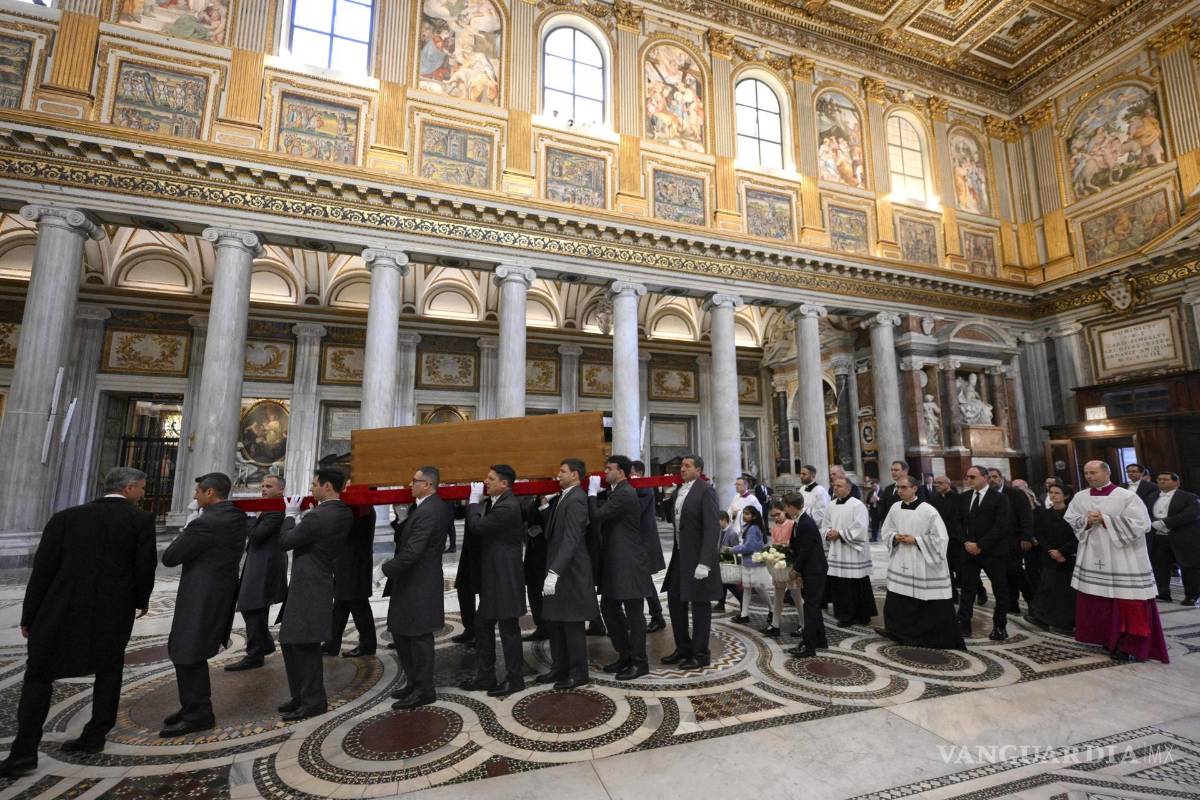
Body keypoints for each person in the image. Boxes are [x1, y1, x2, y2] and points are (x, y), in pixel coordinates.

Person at [0, 468, 156, 777]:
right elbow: (144, 567)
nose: (143, 494)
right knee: (109, 670)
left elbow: (43, 570)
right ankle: (95, 735)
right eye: (141, 488)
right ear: (128, 488)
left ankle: (23, 751)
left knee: (39, 675)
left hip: (61, 607)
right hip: (113, 609)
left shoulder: (66, 517)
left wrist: (30, 614)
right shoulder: (139, 520)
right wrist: (140, 600)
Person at [160, 472, 248, 737]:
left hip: (201, 594)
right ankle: (192, 705)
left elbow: (170, 557)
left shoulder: (205, 523)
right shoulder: (236, 516)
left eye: (198, 492)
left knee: (187, 651)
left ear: (210, 493)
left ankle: (198, 714)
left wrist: (189, 527)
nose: (194, 496)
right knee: (193, 649)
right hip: (220, 592)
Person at [1068, 460, 1168, 663]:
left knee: (1128, 600)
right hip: (1093, 555)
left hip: (1124, 557)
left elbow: (1143, 524)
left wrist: (1106, 520)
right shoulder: (1080, 497)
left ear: (1107, 473)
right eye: (1086, 473)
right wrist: (1086, 520)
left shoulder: (1127, 496)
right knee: (1098, 600)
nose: (1089, 476)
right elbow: (1071, 518)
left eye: (1093, 472)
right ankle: (1105, 637)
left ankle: (1128, 645)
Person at [277, 467, 354, 720]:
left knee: (304, 644)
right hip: (318, 579)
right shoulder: (343, 512)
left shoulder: (318, 516)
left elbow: (285, 542)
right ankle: (300, 695)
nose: (311, 488)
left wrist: (291, 517)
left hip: (308, 583)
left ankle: (313, 701)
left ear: (327, 486)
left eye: (314, 484)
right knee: (291, 640)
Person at [382, 466, 452, 710]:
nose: (410, 484)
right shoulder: (423, 507)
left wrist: (384, 569)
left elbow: (413, 551)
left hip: (420, 581)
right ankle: (413, 682)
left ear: (428, 485)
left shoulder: (431, 510)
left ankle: (424, 690)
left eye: (414, 480)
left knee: (419, 636)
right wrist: (403, 520)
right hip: (411, 579)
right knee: (403, 632)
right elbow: (409, 540)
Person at [462, 464, 527, 697]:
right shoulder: (497, 502)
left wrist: (473, 501)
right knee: (482, 625)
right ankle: (486, 676)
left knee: (509, 630)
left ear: (504, 483)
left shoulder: (507, 506)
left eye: (491, 478)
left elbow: (477, 526)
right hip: (494, 577)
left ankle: (515, 679)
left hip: (505, 578)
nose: (485, 481)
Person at [589, 455, 655, 681]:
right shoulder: (617, 492)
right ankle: (625, 654)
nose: (605, 472)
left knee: (634, 614)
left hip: (629, 562)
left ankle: (639, 661)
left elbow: (597, 516)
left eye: (609, 468)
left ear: (621, 472)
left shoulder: (625, 493)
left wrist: (592, 494)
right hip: (616, 562)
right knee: (609, 608)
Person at [880, 476, 964, 649]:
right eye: (898, 487)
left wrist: (917, 540)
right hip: (901, 559)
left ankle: (924, 636)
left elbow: (941, 538)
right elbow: (886, 530)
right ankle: (898, 631)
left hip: (922, 561)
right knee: (898, 597)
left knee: (924, 601)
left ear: (915, 488)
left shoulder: (928, 510)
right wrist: (894, 536)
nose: (899, 490)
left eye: (904, 487)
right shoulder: (895, 508)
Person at [537, 458, 600, 688]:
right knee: (556, 621)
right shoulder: (565, 496)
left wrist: (555, 572)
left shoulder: (577, 499)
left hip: (570, 571)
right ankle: (559, 668)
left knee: (572, 624)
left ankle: (578, 673)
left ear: (575, 475)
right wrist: (545, 507)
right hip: (560, 568)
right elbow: (555, 532)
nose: (558, 475)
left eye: (563, 471)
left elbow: (571, 539)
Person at [662, 454, 722, 669]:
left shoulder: (706, 491)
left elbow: (712, 528)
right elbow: (672, 520)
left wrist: (705, 562)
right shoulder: (679, 490)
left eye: (687, 466)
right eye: (681, 466)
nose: (682, 469)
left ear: (698, 470)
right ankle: (683, 648)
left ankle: (700, 653)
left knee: (699, 604)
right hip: (680, 555)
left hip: (698, 557)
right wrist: (667, 498)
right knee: (674, 599)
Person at [226, 474, 288, 672]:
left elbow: (256, 535)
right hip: (259, 561)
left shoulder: (276, 510)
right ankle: (264, 644)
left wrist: (251, 517)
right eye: (262, 485)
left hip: (265, 564)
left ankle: (255, 654)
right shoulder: (269, 507)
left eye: (268, 486)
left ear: (281, 490)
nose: (263, 489)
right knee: (254, 607)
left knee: (252, 606)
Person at [957, 464, 1012, 641]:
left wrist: (980, 545)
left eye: (972, 477)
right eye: (967, 477)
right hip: (968, 551)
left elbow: (1001, 526)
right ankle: (964, 625)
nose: (968, 480)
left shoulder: (999, 498)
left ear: (985, 478)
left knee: (1000, 590)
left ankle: (999, 626)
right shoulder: (964, 497)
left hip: (992, 551)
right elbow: (957, 523)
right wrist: (966, 542)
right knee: (967, 589)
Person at [324, 505, 377, 658]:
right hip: (346, 564)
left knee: (359, 606)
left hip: (354, 565)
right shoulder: (355, 508)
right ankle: (332, 644)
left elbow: (348, 533)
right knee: (340, 606)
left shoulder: (362, 509)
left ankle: (368, 644)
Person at [823, 476, 876, 627]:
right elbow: (825, 524)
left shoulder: (857, 505)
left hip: (853, 551)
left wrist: (840, 534)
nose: (835, 488)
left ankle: (861, 615)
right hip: (837, 550)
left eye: (839, 486)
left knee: (855, 584)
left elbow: (861, 527)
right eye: (834, 485)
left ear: (849, 488)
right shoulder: (831, 505)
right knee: (839, 584)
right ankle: (844, 615)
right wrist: (828, 532)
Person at [783, 493, 829, 658]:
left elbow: (806, 550)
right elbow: (797, 545)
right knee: (813, 606)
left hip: (815, 570)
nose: (785, 510)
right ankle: (820, 640)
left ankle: (809, 646)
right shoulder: (800, 521)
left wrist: (796, 569)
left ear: (791, 507)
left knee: (810, 607)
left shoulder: (806, 524)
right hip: (811, 569)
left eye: (785, 506)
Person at [1028, 483, 1077, 634]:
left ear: (1065, 496)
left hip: (1067, 558)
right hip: (1050, 557)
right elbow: (1040, 534)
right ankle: (1042, 618)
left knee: (1065, 592)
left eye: (1057, 493)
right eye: (1051, 492)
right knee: (1047, 588)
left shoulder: (1073, 514)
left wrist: (1062, 552)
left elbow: (1077, 536)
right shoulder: (1045, 514)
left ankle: (1065, 623)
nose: (1053, 495)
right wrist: (1051, 551)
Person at [1148, 471, 1200, 605]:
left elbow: (1192, 514)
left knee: (1188, 567)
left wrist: (1165, 523)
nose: (1161, 481)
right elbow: (1145, 512)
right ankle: (1163, 593)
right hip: (1158, 537)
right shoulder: (1152, 496)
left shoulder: (1189, 497)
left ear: (1176, 482)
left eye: (1166, 479)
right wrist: (1153, 523)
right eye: (1159, 479)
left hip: (1182, 537)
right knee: (1160, 567)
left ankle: (1191, 595)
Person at [988, 468, 1036, 615]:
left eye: (995, 477)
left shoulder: (1015, 493)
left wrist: (1026, 537)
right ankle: (1012, 604)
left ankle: (1032, 602)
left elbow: (1026, 516)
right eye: (989, 477)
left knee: (1016, 573)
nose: (992, 480)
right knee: (1004, 575)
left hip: (1014, 541)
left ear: (1002, 478)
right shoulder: (988, 496)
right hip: (996, 544)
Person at [632, 460, 668, 632]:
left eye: (631, 472)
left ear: (639, 473)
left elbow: (636, 509)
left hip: (644, 542)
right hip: (638, 542)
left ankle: (657, 616)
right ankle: (655, 615)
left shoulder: (644, 487)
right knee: (642, 580)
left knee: (645, 580)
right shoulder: (638, 487)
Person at [729, 505, 771, 625]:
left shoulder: (753, 528)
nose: (745, 516)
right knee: (747, 588)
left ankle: (772, 609)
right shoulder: (749, 526)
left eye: (747, 514)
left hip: (754, 562)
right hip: (749, 561)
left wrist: (733, 549)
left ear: (754, 516)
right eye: (744, 513)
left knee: (759, 587)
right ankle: (744, 614)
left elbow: (749, 547)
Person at [763, 501, 796, 637]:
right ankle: (775, 625)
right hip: (778, 566)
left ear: (784, 511)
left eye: (778, 514)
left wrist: (786, 546)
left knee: (796, 597)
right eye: (773, 516)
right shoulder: (774, 527)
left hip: (791, 565)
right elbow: (774, 544)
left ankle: (804, 624)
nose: (776, 518)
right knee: (778, 597)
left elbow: (794, 544)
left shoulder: (792, 524)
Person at [929, 476, 964, 600]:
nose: (937, 485)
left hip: (956, 539)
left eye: (940, 483)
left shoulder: (958, 498)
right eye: (935, 483)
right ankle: (953, 594)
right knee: (947, 568)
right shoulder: (934, 500)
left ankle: (980, 591)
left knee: (962, 569)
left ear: (948, 484)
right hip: (942, 539)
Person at [522, 492, 551, 643]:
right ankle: (541, 626)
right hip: (533, 553)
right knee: (534, 591)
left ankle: (548, 626)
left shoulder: (554, 499)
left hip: (546, 555)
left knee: (545, 593)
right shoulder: (532, 499)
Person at [878, 461, 929, 526]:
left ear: (905, 471)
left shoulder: (916, 487)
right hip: (892, 527)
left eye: (896, 470)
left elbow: (921, 506)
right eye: (892, 470)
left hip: (910, 525)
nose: (893, 472)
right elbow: (883, 510)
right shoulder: (888, 489)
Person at [716, 510, 742, 612]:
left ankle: (741, 599)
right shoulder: (720, 531)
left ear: (724, 520)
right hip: (722, 562)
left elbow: (736, 549)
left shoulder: (732, 533)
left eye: (718, 520)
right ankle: (721, 603)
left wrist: (726, 549)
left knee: (729, 584)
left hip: (729, 563)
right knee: (723, 583)